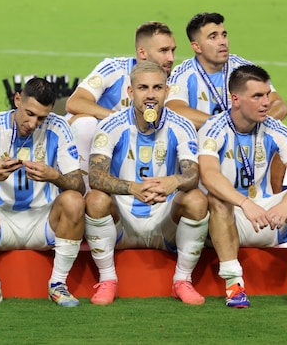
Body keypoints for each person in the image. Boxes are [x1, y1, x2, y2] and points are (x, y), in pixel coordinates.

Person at [84, 61, 209, 305]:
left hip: (165, 220)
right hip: (123, 221)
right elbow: (95, 175)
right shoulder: (111, 125)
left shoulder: (182, 126)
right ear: (130, 92)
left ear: (167, 91)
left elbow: (192, 176)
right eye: (143, 87)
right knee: (95, 199)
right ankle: (108, 280)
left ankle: (182, 281)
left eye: (157, 87)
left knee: (196, 199)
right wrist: (133, 188)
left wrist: (173, 181)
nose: (150, 94)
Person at [198, 65, 287, 308]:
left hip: (268, 216)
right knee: (217, 199)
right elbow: (209, 175)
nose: (266, 102)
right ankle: (234, 285)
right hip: (231, 218)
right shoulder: (213, 129)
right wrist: (245, 203)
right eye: (257, 96)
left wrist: (286, 204)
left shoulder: (275, 128)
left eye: (266, 95)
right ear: (236, 99)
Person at [0, 77, 85, 308]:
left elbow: (79, 186)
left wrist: (54, 176)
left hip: (43, 223)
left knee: (74, 200)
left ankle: (58, 284)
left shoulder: (59, 127)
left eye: (41, 118)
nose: (33, 123)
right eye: (29, 113)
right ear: (17, 99)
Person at [166, 12, 287, 193]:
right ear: (196, 46)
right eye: (213, 37)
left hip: (246, 138)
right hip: (206, 145)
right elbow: (174, 109)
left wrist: (247, 123)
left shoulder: (242, 68)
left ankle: (273, 199)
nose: (222, 41)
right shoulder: (184, 73)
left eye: (224, 35)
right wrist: (224, 127)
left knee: (279, 136)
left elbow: (279, 106)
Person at [65, 21, 176, 186]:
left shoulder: (173, 81)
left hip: (133, 150)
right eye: (163, 51)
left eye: (173, 50)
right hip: (100, 146)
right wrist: (122, 120)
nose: (171, 58)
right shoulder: (114, 69)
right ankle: (81, 194)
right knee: (85, 124)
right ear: (142, 52)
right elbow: (75, 102)